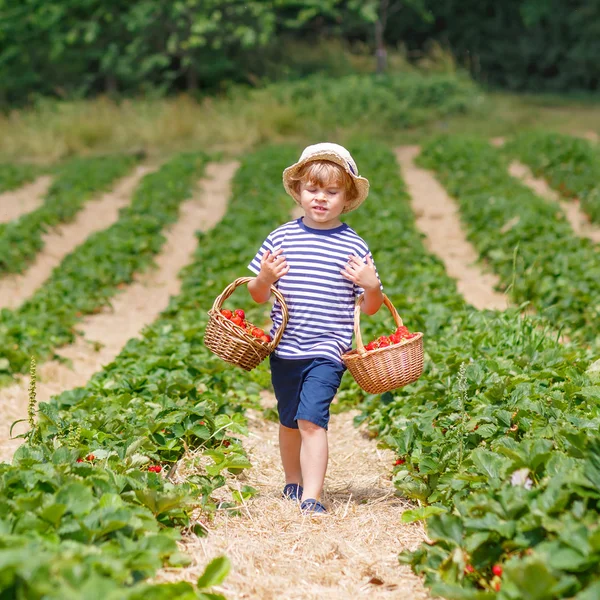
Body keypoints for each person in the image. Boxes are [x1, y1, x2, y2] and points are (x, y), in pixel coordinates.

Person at [247, 142, 384, 514]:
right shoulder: (280, 239)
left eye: (331, 192)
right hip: (286, 349)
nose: (320, 198)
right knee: (289, 421)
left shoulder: (353, 247)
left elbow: (370, 309)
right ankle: (292, 482)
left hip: (328, 351)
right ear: (298, 191)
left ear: (347, 197)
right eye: (312, 189)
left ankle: (312, 495)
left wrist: (371, 285)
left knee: (311, 420)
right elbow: (258, 296)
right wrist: (264, 277)